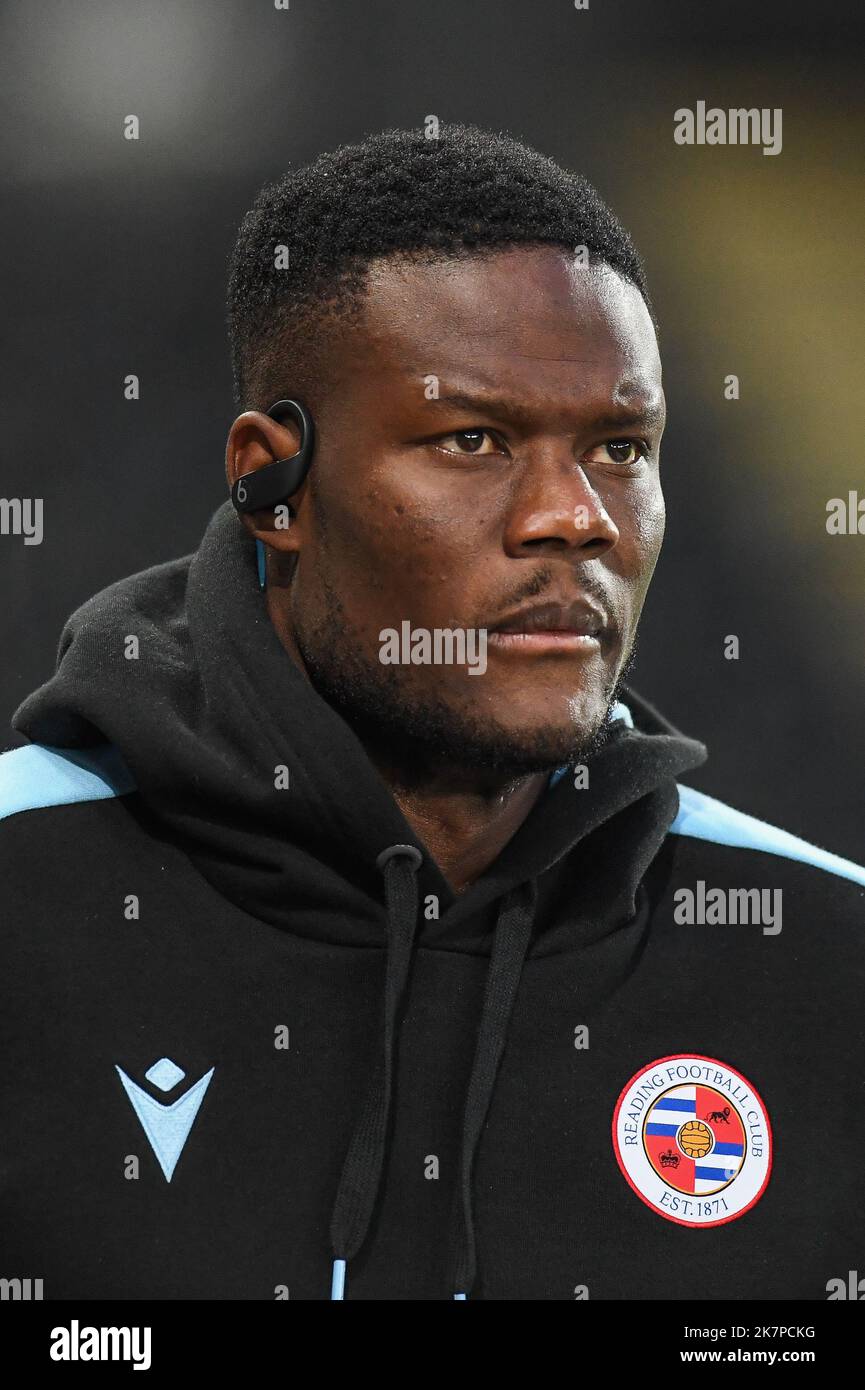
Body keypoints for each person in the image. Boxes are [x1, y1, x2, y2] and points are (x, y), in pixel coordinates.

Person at [2, 124, 863, 1301]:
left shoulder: (821, 956)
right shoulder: (27, 895)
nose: (575, 518)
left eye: (620, 447)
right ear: (274, 485)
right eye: (472, 440)